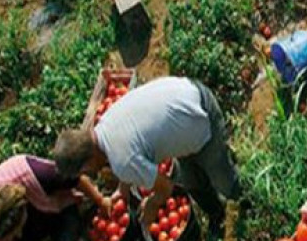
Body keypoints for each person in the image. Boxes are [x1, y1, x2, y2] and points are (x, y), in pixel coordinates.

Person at [53, 76, 239, 230]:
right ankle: (217, 214)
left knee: (224, 181)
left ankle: (247, 201)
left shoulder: (122, 162)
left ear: (86, 165)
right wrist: (122, 190)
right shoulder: (105, 122)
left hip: (203, 121)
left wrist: (152, 204)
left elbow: (165, 186)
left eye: (85, 172)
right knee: (192, 182)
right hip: (190, 93)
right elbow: (127, 150)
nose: (89, 174)